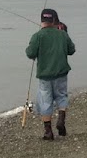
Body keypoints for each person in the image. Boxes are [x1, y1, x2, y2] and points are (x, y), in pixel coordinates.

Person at [25, 8, 75, 140]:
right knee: (61, 96)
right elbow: (71, 50)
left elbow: (30, 53)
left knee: (45, 101)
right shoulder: (62, 34)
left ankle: (48, 131)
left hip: (45, 75)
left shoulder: (37, 36)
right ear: (54, 20)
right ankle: (61, 119)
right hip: (61, 72)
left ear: (42, 21)